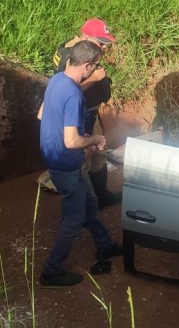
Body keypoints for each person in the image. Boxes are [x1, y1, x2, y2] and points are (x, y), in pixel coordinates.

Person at [37, 41, 123, 287]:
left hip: (62, 159)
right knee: (73, 220)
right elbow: (72, 139)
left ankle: (105, 246)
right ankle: (51, 272)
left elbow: (41, 115)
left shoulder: (56, 81)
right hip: (66, 164)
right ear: (86, 65)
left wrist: (81, 146)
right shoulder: (74, 94)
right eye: (95, 66)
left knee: (90, 203)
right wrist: (95, 139)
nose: (95, 71)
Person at [38, 18, 121, 210]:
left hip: (88, 110)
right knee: (86, 156)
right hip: (78, 115)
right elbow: (69, 88)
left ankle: (100, 197)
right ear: (85, 36)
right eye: (100, 42)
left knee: (97, 153)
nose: (104, 47)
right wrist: (96, 78)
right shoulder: (71, 55)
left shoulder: (77, 49)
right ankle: (86, 203)